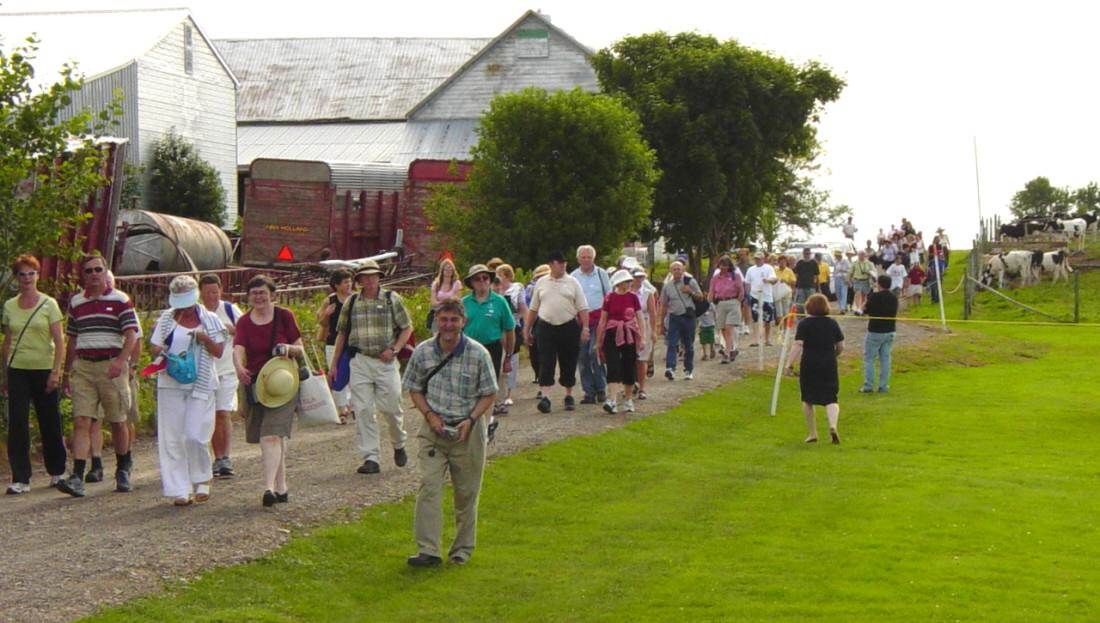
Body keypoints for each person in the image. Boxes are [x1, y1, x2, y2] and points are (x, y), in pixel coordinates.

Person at [402, 298, 497, 567]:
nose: (448, 325)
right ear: (436, 321)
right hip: (434, 430)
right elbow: (414, 388)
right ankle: (428, 550)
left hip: (468, 429)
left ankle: (462, 551)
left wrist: (471, 419)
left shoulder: (478, 353)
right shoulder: (423, 352)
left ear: (463, 322)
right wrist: (430, 415)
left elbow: (489, 392)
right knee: (429, 487)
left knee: (466, 493)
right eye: (443, 319)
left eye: (454, 320)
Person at [58, 253, 139, 498]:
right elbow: (72, 337)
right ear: (83, 275)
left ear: (105, 272)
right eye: (89, 271)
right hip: (84, 366)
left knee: (117, 420)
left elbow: (132, 334)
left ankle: (123, 468)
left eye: (97, 270)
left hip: (111, 365)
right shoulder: (77, 303)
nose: (94, 275)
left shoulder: (119, 300)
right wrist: (66, 370)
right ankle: (77, 475)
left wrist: (121, 361)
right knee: (82, 420)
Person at [329, 260, 412, 475]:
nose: (370, 280)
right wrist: (335, 364)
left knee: (392, 406)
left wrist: (394, 349)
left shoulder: (392, 299)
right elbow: (342, 333)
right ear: (359, 280)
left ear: (379, 277)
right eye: (365, 276)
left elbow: (406, 327)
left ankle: (398, 443)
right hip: (361, 360)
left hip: (386, 361)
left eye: (373, 275)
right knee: (363, 409)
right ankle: (371, 457)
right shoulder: (352, 302)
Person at [149, 276, 226, 505]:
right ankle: (178, 488)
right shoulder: (166, 319)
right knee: (171, 437)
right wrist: (162, 350)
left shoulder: (210, 320)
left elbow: (219, 351)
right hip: (170, 382)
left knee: (196, 435)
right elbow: (154, 346)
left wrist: (203, 339)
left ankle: (202, 478)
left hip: (201, 383)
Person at [234, 274, 304, 506]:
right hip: (256, 384)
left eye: (263, 292)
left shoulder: (285, 316)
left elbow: (300, 348)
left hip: (284, 383)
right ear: (249, 297)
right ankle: (282, 486)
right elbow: (238, 348)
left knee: (271, 435)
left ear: (272, 294)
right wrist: (239, 367)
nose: (259, 297)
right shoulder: (244, 321)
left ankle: (268, 488)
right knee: (272, 437)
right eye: (254, 293)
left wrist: (287, 348)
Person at [2, 255, 67, 494]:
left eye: (31, 273)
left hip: (44, 368)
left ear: (38, 276)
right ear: (16, 278)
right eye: (22, 274)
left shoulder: (49, 304)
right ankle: (21, 477)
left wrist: (55, 371)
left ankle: (57, 471)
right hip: (18, 369)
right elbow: (8, 341)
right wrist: (5, 374)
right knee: (17, 423)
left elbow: (60, 341)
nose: (27, 278)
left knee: (50, 419)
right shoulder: (10, 306)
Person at [87, 269, 142, 482]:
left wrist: (132, 366)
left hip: (120, 370)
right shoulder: (87, 303)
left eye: (109, 281)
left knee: (122, 418)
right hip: (96, 369)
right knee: (94, 419)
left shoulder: (123, 304)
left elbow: (136, 338)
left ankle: (125, 460)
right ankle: (96, 462)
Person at [524, 250, 589, 413]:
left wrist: (585, 328)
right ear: (551, 264)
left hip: (568, 325)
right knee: (546, 361)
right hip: (546, 326)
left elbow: (582, 307)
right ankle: (545, 397)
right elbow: (533, 308)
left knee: (569, 360)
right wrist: (527, 329)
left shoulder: (573, 282)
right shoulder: (541, 283)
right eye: (559, 263)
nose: (563, 265)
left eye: (564, 263)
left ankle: (568, 394)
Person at [200, 274, 243, 477]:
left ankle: (224, 458)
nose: (211, 297)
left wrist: (228, 329)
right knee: (208, 416)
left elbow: (244, 331)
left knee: (223, 412)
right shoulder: (195, 313)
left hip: (227, 369)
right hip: (203, 371)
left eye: (215, 292)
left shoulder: (229, 310)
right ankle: (214, 457)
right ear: (200, 293)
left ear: (221, 291)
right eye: (207, 292)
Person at [461, 264, 515, 420]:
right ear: (471, 282)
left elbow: (509, 329)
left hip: (492, 347)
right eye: (477, 279)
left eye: (485, 278)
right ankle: (471, 417)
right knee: (470, 383)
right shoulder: (464, 303)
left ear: (490, 280)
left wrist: (509, 356)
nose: (482, 281)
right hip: (468, 348)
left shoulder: (499, 301)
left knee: (490, 385)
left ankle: (488, 418)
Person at [795, 294, 845, 445]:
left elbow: (798, 344)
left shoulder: (804, 324)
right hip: (828, 362)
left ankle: (812, 433)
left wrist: (788, 364)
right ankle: (833, 425)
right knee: (831, 398)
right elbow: (841, 345)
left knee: (808, 399)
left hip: (809, 363)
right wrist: (834, 355)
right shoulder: (832, 323)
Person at [595, 269, 642, 413]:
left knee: (629, 365)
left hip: (629, 334)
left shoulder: (633, 298)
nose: (629, 284)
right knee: (613, 365)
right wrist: (598, 341)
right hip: (612, 333)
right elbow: (603, 320)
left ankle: (628, 399)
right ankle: (613, 400)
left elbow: (639, 318)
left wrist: (643, 337)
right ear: (619, 283)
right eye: (626, 282)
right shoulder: (609, 297)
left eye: (629, 282)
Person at [570, 245, 611, 405]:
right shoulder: (573, 277)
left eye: (589, 257)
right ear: (578, 259)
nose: (586, 260)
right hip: (580, 320)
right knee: (582, 356)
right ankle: (589, 391)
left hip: (599, 319)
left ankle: (601, 388)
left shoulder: (601, 274)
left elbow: (608, 296)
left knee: (595, 353)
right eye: (583, 257)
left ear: (593, 258)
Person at [317, 269, 354, 425]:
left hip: (353, 342)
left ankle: (353, 405)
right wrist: (327, 314)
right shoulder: (330, 300)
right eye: (345, 282)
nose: (349, 284)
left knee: (354, 373)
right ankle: (341, 409)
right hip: (333, 341)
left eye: (350, 281)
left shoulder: (355, 298)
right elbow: (322, 323)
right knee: (336, 374)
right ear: (336, 285)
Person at [658, 260, 703, 380]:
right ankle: (670, 368)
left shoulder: (690, 282)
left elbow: (700, 297)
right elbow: (664, 305)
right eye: (674, 269)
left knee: (688, 345)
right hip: (674, 317)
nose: (677, 271)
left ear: (683, 270)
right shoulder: (667, 286)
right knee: (672, 343)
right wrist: (662, 324)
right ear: (671, 271)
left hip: (688, 317)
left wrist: (690, 292)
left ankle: (688, 369)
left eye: (679, 269)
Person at [495, 264, 527, 409]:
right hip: (496, 329)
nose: (497, 278)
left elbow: (523, 308)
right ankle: (497, 394)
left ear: (507, 276)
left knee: (511, 360)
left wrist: (527, 327)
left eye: (500, 275)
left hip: (513, 327)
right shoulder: (494, 290)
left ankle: (508, 393)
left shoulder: (517, 289)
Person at [861, 275, 899, 394]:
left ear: (879, 284)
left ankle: (868, 385)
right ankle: (883, 386)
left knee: (869, 359)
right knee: (885, 359)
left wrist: (866, 302)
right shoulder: (894, 297)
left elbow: (864, 310)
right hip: (890, 331)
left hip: (875, 331)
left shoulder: (874, 296)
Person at [707, 255, 744, 364]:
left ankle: (727, 353)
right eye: (721, 265)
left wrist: (738, 301)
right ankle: (732, 349)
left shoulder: (735, 276)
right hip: (720, 303)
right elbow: (711, 291)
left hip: (733, 302)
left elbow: (741, 290)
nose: (723, 268)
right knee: (723, 328)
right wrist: (707, 304)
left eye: (725, 265)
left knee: (729, 328)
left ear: (729, 266)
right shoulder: (715, 278)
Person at [629, 266, 658, 397]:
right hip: (629, 326)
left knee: (642, 358)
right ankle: (630, 384)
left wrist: (653, 331)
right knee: (629, 358)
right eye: (636, 277)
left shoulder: (648, 293)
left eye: (641, 277)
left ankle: (642, 388)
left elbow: (653, 314)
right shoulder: (626, 292)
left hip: (644, 326)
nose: (639, 279)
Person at [744, 252, 779, 347]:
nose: (757, 260)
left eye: (759, 258)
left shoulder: (769, 268)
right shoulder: (750, 269)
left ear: (763, 259)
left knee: (768, 319)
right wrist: (747, 295)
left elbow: (774, 280)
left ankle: (767, 339)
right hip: (754, 296)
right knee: (756, 319)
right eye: (756, 258)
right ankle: (756, 340)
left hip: (767, 297)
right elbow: (747, 283)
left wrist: (768, 280)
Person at [525, 264, 551, 392]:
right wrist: (527, 328)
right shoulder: (530, 290)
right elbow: (528, 308)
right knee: (535, 354)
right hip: (536, 322)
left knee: (545, 354)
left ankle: (544, 384)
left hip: (550, 322)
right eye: (539, 277)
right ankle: (539, 376)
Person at [429, 258, 462, 334]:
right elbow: (433, 302)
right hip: (438, 313)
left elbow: (457, 300)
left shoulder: (457, 283)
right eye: (446, 269)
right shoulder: (436, 284)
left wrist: (442, 302)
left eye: (451, 269)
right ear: (442, 271)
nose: (448, 271)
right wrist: (447, 301)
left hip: (453, 313)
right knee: (436, 335)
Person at [850, 250, 876, 315]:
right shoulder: (855, 263)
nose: (861, 256)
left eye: (862, 254)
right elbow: (850, 272)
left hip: (866, 281)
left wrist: (870, 273)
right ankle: (859, 308)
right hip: (857, 280)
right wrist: (849, 280)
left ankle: (861, 309)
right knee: (857, 294)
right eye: (860, 255)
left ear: (865, 255)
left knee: (864, 296)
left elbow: (874, 273)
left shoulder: (869, 263)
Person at [831, 249, 852, 314]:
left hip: (844, 279)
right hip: (837, 279)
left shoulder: (845, 261)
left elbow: (849, 270)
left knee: (844, 293)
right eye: (836, 255)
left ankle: (842, 309)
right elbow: (834, 271)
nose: (837, 257)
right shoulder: (835, 262)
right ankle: (842, 307)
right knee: (838, 294)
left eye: (838, 255)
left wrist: (842, 271)